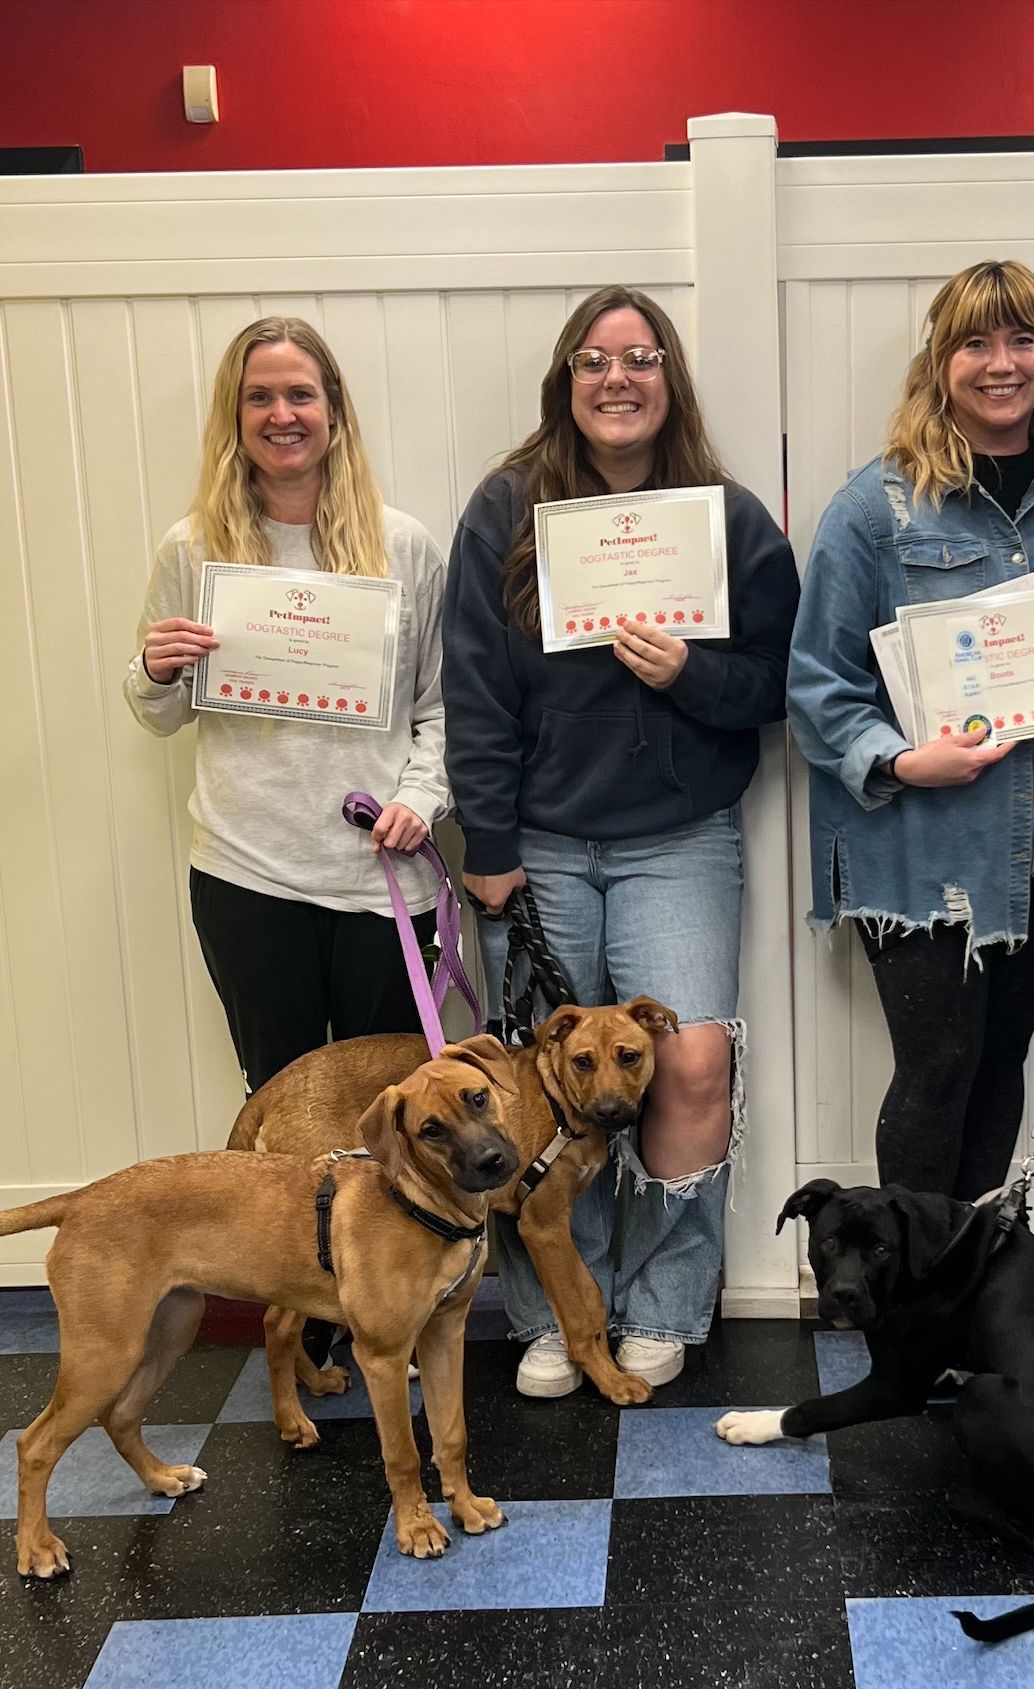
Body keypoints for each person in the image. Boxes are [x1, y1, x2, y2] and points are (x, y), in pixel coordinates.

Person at [442, 285, 800, 1397]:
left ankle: (665, 1303)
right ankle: (560, 1311)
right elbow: (474, 691)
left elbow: (782, 684)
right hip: (537, 844)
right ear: (566, 381)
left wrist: (691, 674)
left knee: (689, 1063)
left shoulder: (728, 519)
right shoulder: (504, 510)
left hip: (678, 840)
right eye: (594, 361)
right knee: (541, 1087)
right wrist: (488, 844)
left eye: (640, 358)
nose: (617, 378)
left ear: (668, 380)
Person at [786, 260, 1034, 1202]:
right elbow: (817, 686)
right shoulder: (873, 509)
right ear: (940, 362)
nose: (1000, 363)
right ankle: (914, 1317)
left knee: (1001, 1061)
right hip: (921, 849)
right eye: (975, 342)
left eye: (1022, 340)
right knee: (936, 1070)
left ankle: (972, 1287)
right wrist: (901, 758)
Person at [125, 316, 450, 1098]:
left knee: (394, 1115)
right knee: (279, 1106)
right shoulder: (192, 548)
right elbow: (160, 712)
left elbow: (443, 707)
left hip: (381, 875)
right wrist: (153, 671)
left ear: (333, 410)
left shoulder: (403, 546)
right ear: (234, 419)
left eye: (300, 394)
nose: (282, 415)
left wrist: (420, 798)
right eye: (259, 397)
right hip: (249, 875)